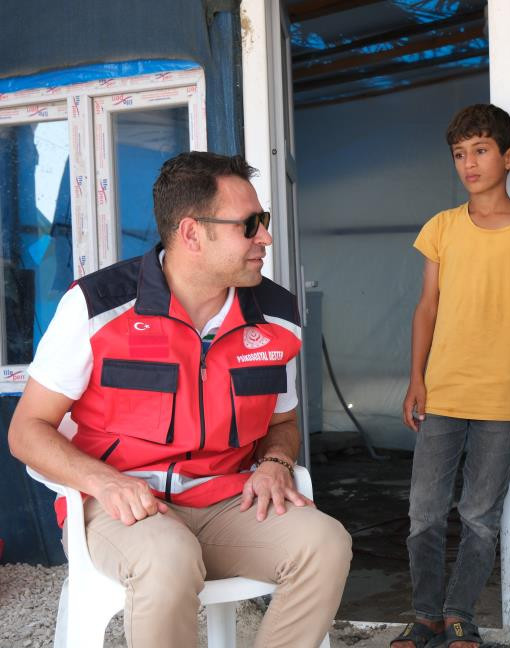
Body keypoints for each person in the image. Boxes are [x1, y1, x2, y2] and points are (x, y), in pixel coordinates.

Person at [7, 151, 352, 648]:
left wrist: (276, 463)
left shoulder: (277, 316)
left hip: (229, 502)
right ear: (192, 233)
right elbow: (27, 430)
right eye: (249, 225)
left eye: (264, 221)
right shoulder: (97, 306)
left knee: (326, 544)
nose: (265, 237)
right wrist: (104, 482)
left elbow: (283, 421)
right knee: (168, 558)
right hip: (122, 508)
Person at [393, 104, 510, 648]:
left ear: (509, 157)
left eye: (481, 150)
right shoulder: (442, 227)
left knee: (480, 516)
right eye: (460, 154)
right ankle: (425, 616)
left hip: (504, 395)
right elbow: (426, 308)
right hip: (443, 392)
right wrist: (416, 378)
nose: (469, 163)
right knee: (424, 512)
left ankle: (460, 615)